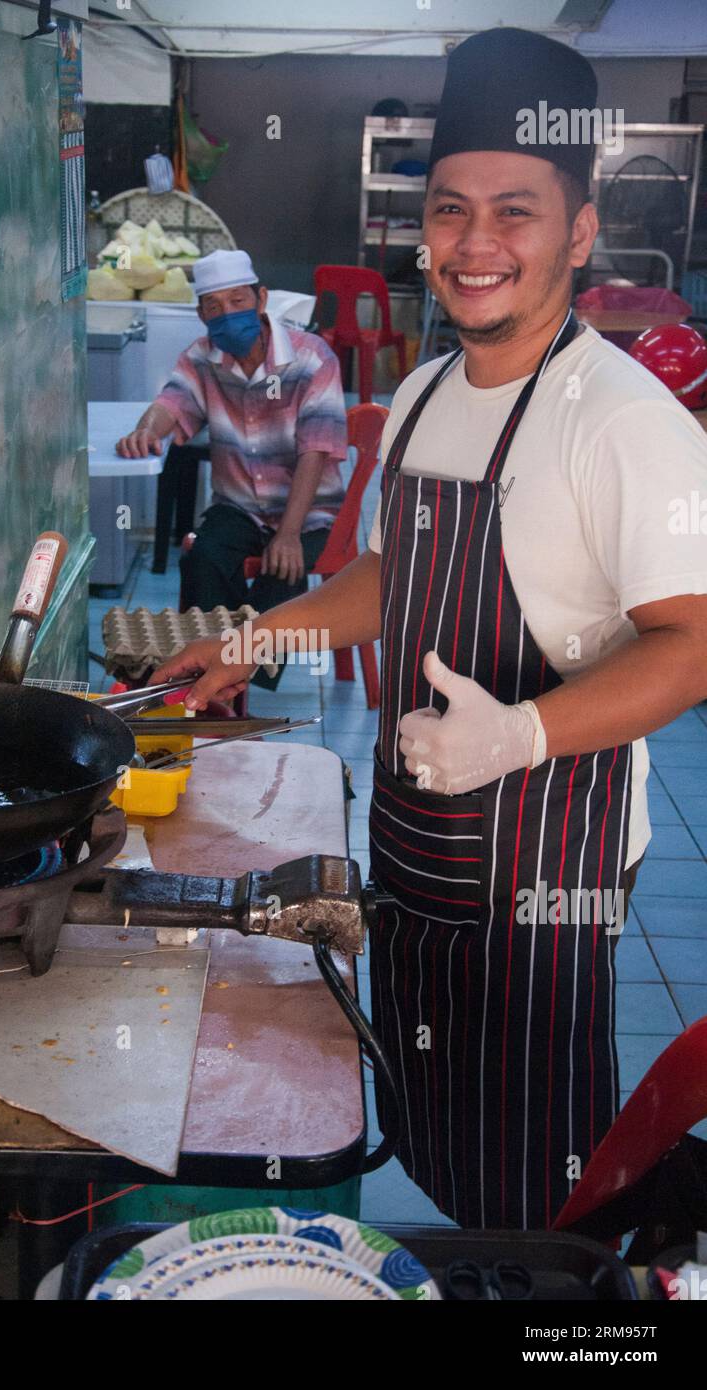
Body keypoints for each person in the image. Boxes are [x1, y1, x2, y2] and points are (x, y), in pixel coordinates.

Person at [147, 29, 707, 1229]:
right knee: (440, 1134)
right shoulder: (420, 392)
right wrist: (252, 640)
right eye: (450, 210)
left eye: (515, 210)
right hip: (417, 846)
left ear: (578, 229)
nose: (474, 243)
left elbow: (691, 642)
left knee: (531, 1178)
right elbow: (392, 571)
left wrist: (517, 735)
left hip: (536, 876)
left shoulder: (620, 421)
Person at [116, 249, 347, 683]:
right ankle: (208, 668)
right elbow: (171, 402)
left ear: (261, 300)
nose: (227, 314)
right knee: (204, 554)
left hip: (310, 512)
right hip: (238, 505)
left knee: (282, 573)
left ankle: (241, 679)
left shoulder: (312, 358)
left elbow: (316, 449)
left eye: (237, 301)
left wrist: (289, 534)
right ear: (201, 314)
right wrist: (146, 431)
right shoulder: (202, 358)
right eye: (214, 306)